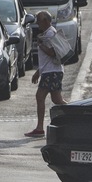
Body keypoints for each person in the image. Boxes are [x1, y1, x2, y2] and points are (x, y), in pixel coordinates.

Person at [24, 10, 67, 138]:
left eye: (39, 20)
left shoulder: (50, 33)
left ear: (46, 21)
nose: (37, 23)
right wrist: (38, 72)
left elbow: (53, 53)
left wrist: (41, 44)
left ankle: (39, 128)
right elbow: (46, 59)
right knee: (57, 99)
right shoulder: (47, 33)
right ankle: (74, 113)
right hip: (50, 71)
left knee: (40, 96)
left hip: (52, 72)